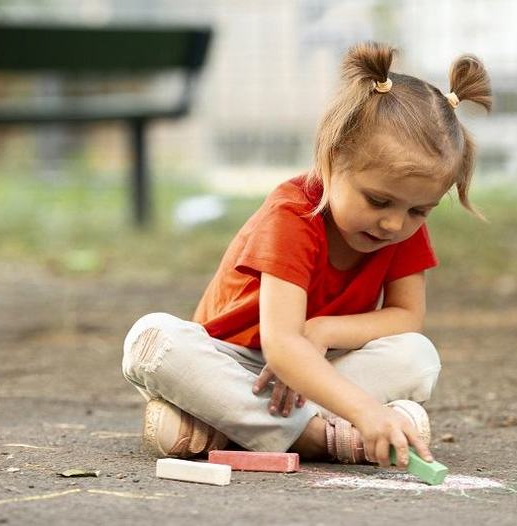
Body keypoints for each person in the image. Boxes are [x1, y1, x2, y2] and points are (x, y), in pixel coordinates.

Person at [121, 41, 492, 469]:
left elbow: (406, 316)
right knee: (152, 340)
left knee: (417, 356)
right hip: (234, 363)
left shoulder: (400, 225)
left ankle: (220, 428)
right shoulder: (293, 213)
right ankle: (317, 437)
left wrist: (322, 331)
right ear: (332, 161)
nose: (394, 224)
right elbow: (280, 346)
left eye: (419, 210)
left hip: (317, 366)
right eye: (377, 200)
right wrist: (367, 412)